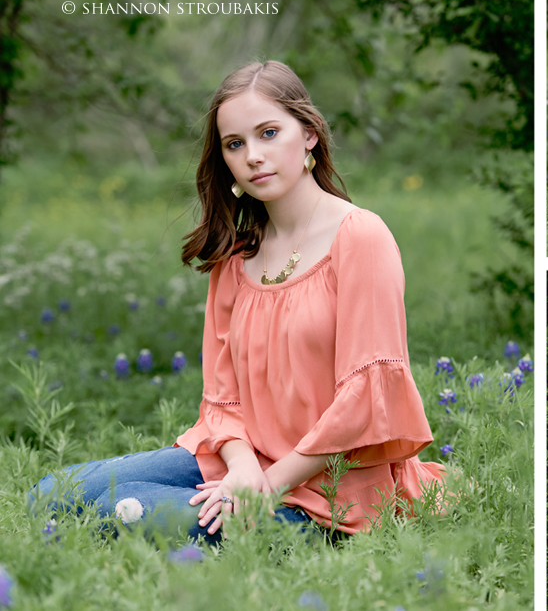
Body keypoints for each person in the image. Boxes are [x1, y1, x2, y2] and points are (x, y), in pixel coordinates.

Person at [32, 60, 445, 543]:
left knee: (121, 509)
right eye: (235, 143)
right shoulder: (238, 256)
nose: (253, 156)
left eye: (269, 132)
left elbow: (367, 403)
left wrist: (265, 488)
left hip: (331, 491)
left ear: (309, 133)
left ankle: (297, 537)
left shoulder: (359, 237)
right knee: (52, 493)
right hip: (245, 463)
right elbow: (222, 397)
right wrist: (243, 468)